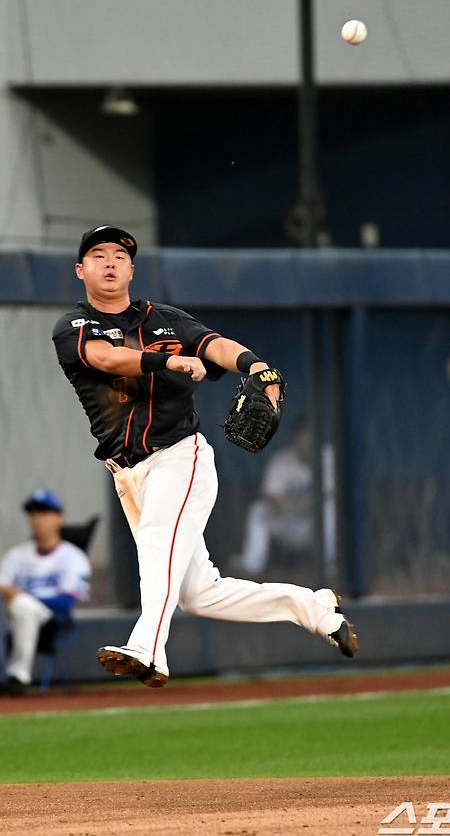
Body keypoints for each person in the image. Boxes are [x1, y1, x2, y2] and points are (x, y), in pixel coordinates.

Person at [51, 224, 358, 689]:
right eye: (98, 255)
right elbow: (107, 359)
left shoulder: (166, 318)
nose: (110, 261)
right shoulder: (74, 327)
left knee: (158, 542)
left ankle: (148, 649)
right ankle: (313, 608)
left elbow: (214, 345)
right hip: (128, 473)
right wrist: (167, 361)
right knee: (199, 593)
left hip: (179, 456)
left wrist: (257, 365)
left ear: (133, 268)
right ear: (80, 270)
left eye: (120, 254)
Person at [0, 489, 91, 695]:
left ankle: (18, 676)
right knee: (16, 606)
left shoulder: (73, 557)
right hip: (5, 616)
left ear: (59, 518)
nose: (37, 519)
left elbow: (66, 602)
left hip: (50, 620)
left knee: (23, 606)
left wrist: (20, 596)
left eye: (44, 513)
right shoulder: (16, 555)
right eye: (33, 514)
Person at [239, 419, 336, 578]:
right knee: (259, 510)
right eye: (303, 438)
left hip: (314, 526)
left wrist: (298, 504)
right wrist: (297, 505)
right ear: (295, 439)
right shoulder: (283, 460)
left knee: (329, 509)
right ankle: (252, 568)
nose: (307, 443)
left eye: (310, 438)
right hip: (287, 523)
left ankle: (330, 566)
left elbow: (330, 494)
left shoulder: (327, 456)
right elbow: (270, 495)